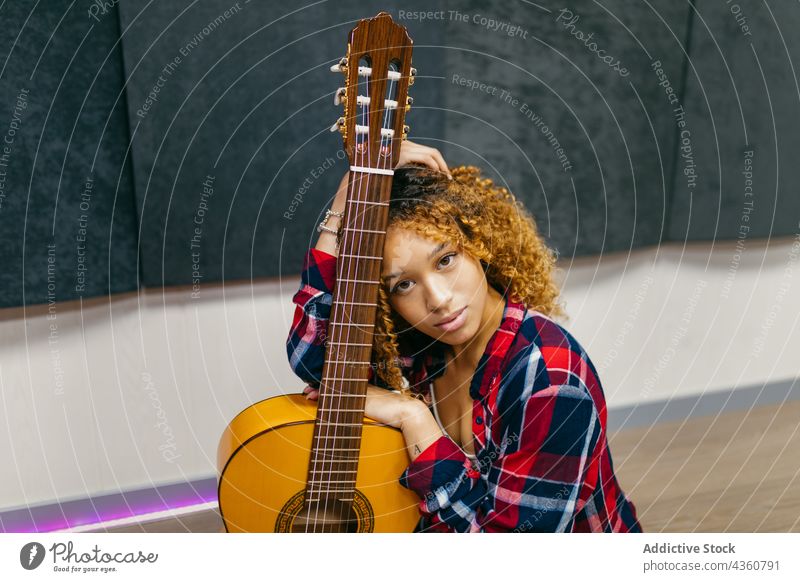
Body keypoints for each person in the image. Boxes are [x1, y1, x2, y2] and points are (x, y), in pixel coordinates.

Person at [286, 140, 643, 533]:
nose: (438, 300)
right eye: (404, 284)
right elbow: (315, 359)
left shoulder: (550, 380)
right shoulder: (427, 343)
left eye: (446, 260)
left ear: (479, 244)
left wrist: (414, 417)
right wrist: (345, 199)